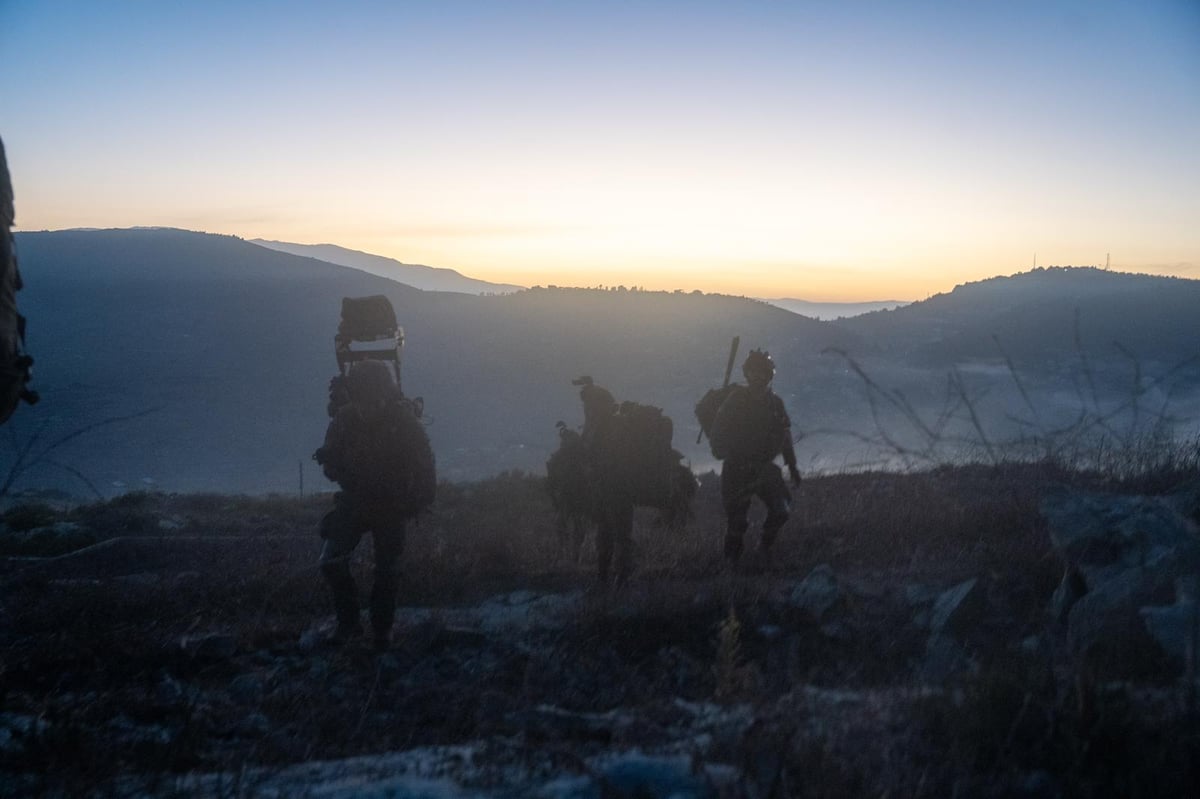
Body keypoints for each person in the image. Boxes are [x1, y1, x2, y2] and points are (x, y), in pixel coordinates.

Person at [313, 359, 435, 650]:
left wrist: (415, 502)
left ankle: (382, 631)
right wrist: (334, 464)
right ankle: (350, 625)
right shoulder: (344, 421)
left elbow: (426, 469)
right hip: (355, 501)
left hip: (392, 504)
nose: (369, 406)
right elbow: (331, 465)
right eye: (363, 399)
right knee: (331, 562)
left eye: (375, 398)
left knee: (388, 569)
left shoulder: (403, 423)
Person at [708, 349, 801, 561]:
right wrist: (724, 451)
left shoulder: (775, 403)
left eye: (762, 372)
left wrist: (792, 466)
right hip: (737, 468)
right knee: (737, 522)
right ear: (747, 374)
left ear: (769, 375)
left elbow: (784, 435)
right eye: (754, 372)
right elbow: (718, 430)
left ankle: (764, 550)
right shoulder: (735, 400)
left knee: (781, 510)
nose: (758, 376)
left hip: (764, 468)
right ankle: (731, 566)